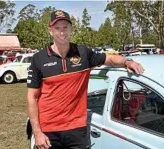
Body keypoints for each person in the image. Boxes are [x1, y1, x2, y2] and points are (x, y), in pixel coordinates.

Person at [27, 10, 145, 149]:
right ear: (50, 31)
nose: (62, 32)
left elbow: (110, 59)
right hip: (49, 129)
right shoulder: (38, 59)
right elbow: (32, 97)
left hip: (77, 128)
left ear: (71, 29)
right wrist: (37, 132)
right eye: (57, 28)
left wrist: (127, 62)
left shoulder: (83, 53)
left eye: (65, 27)